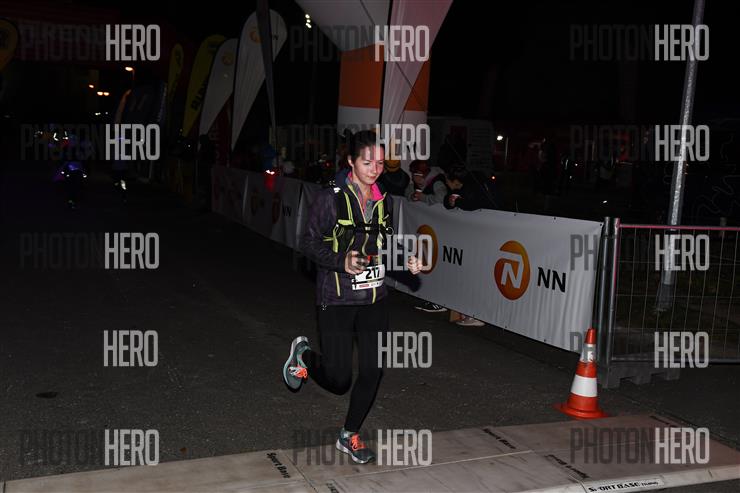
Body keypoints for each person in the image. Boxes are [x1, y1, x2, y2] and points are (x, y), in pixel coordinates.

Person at [283, 130, 423, 464]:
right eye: (367, 162)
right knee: (338, 378)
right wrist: (341, 261)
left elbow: (384, 243)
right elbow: (308, 242)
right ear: (350, 161)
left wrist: (407, 259)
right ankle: (304, 356)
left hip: (374, 298)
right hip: (337, 297)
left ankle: (349, 434)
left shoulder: (384, 198)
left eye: (380, 162)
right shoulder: (330, 198)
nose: (375, 169)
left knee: (373, 370)